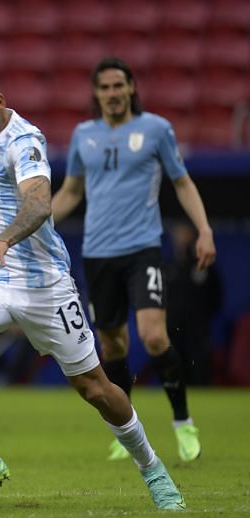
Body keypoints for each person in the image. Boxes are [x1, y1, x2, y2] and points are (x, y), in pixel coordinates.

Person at [0, 64, 185, 510]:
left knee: (96, 388)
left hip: (44, 286)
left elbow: (39, 202)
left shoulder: (25, 141)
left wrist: (2, 239)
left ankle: (153, 470)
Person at [51, 57, 216, 462]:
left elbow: (181, 181)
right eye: (104, 87)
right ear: (96, 93)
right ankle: (129, 430)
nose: (111, 94)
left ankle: (182, 422)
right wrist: (35, 227)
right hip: (97, 253)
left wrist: (205, 229)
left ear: (130, 88)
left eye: (118, 86)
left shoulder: (156, 129)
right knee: (113, 344)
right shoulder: (84, 135)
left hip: (142, 248)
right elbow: (71, 191)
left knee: (154, 335)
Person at [166, 221, 222, 386]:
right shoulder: (169, 266)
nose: (180, 238)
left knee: (199, 367)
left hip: (197, 330)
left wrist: (202, 317)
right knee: (174, 368)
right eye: (177, 234)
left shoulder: (203, 264)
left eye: (183, 233)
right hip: (173, 329)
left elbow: (216, 296)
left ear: (192, 235)